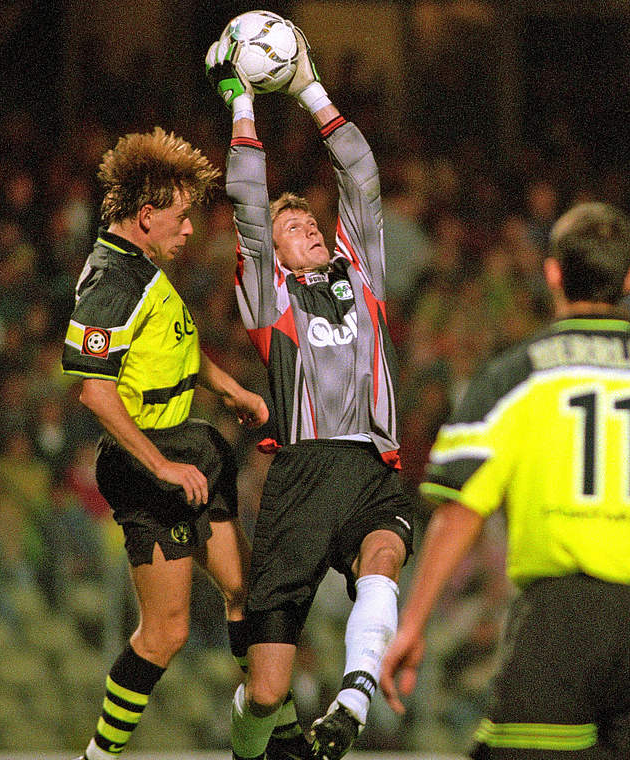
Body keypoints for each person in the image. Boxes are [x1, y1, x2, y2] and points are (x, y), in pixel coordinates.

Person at [379, 202, 630, 759]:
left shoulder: (514, 377)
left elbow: (459, 511)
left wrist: (412, 624)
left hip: (562, 620)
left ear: (552, 273)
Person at [207, 24, 414, 760]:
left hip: (372, 465)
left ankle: (353, 698)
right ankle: (250, 748)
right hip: (301, 478)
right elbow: (247, 198)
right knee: (266, 693)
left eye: (311, 222)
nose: (308, 228)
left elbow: (361, 175)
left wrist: (310, 89)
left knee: (384, 559)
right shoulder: (270, 298)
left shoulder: (363, 276)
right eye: (292, 227)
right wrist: (241, 102)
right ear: (274, 250)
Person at [63, 128, 271, 760]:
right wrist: (161, 465)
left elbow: (175, 346)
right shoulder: (111, 281)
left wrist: (231, 389)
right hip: (147, 465)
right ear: (147, 215)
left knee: (247, 593)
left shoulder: (143, 270)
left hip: (187, 449)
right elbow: (95, 393)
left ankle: (264, 731)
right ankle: (97, 757)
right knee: (165, 633)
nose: (189, 230)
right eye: (181, 217)